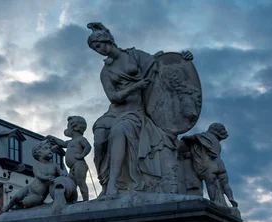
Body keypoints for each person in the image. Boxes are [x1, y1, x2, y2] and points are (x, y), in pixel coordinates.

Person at [87, 22, 193, 196]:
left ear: (108, 41)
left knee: (120, 130)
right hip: (115, 110)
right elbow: (113, 97)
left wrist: (185, 60)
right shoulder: (105, 72)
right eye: (95, 49)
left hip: (135, 111)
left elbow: (160, 66)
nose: (98, 50)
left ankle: (114, 183)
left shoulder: (134, 55)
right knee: (99, 136)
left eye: (98, 46)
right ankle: (104, 182)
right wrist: (135, 86)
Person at [181, 123, 238, 208]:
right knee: (225, 184)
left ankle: (214, 201)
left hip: (210, 165)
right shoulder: (217, 142)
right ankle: (231, 198)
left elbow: (189, 138)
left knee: (210, 184)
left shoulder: (204, 136)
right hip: (220, 164)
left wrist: (184, 138)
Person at [3, 139, 64, 212]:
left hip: (39, 195)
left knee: (27, 201)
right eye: (46, 148)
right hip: (29, 188)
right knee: (17, 196)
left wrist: (62, 173)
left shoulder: (54, 165)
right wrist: (47, 178)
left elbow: (61, 172)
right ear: (38, 153)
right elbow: (39, 176)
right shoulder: (37, 165)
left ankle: (20, 205)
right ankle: (9, 206)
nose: (49, 150)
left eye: (50, 148)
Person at [46, 116, 91, 201]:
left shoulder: (80, 139)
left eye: (68, 126)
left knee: (81, 182)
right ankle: (73, 200)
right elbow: (62, 143)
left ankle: (86, 200)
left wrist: (82, 155)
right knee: (71, 184)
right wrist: (53, 138)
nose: (67, 129)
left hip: (79, 164)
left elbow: (88, 147)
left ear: (75, 127)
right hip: (72, 167)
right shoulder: (70, 142)